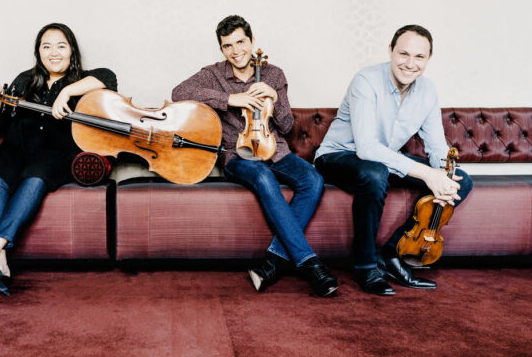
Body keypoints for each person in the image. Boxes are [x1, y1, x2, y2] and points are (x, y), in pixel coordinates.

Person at [172, 15, 338, 297]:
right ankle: (311, 264)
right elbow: (179, 93)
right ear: (221, 49)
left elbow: (286, 127)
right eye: (228, 46)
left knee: (312, 178)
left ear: (251, 41)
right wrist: (229, 99)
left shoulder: (273, 74)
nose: (236, 51)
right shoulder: (212, 74)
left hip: (276, 150)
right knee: (261, 176)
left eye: (241, 42)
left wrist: (274, 97)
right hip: (238, 154)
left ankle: (272, 263)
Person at [314, 25, 473, 296]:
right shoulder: (366, 80)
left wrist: (444, 171)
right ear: (390, 51)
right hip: (337, 156)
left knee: (462, 181)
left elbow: (436, 147)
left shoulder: (428, 91)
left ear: (429, 59)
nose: (410, 64)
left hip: (383, 161)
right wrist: (427, 173)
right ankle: (365, 266)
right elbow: (366, 148)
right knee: (375, 172)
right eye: (403, 54)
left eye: (419, 57)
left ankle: (392, 252)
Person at [0, 23, 117, 295]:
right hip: (17, 149)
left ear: (72, 50)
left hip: (56, 154)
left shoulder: (82, 79)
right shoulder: (25, 79)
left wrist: (66, 93)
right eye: (46, 46)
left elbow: (109, 77)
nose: (53, 52)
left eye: (61, 45)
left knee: (36, 174)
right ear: (38, 52)